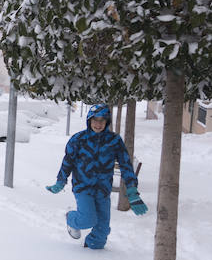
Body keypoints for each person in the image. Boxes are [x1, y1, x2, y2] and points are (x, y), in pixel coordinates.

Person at [46, 103, 148, 249]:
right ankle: (71, 218)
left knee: (101, 234)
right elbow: (67, 162)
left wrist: (132, 190)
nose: (98, 124)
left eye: (102, 120)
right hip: (83, 187)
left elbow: (126, 165)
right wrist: (61, 181)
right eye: (95, 120)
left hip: (103, 190)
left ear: (107, 121)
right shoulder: (78, 139)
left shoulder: (114, 141)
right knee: (88, 219)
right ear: (89, 120)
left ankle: (91, 254)